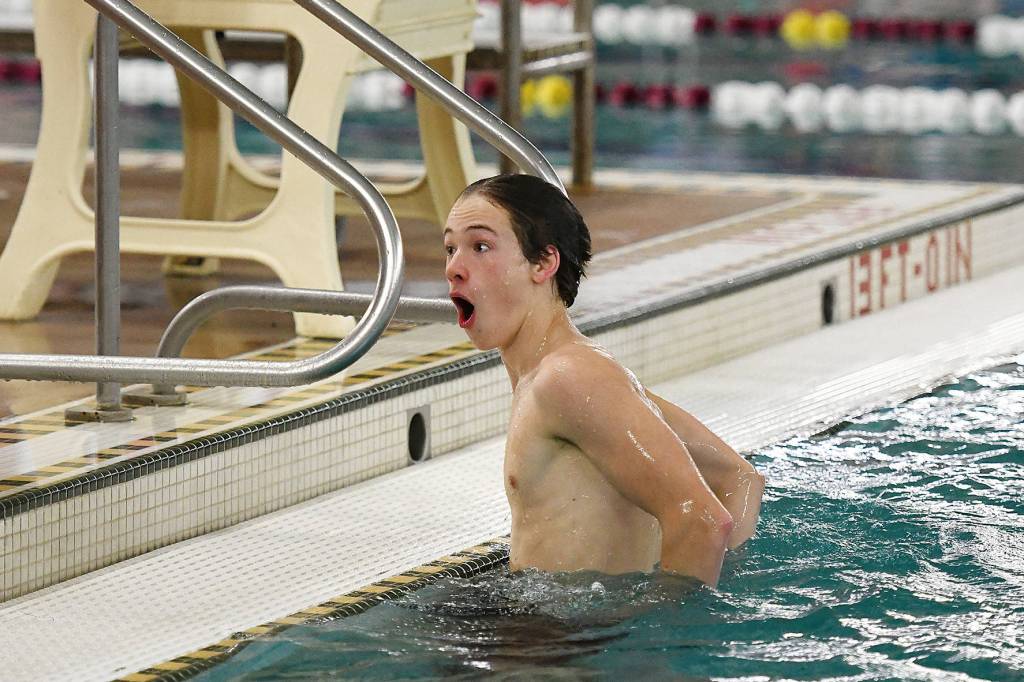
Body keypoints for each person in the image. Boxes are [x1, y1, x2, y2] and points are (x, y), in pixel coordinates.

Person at [443, 174, 765, 588]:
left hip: (568, 639)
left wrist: (663, 634)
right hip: (575, 628)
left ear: (543, 263)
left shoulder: (569, 379)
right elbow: (739, 478)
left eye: (480, 247)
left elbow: (702, 518)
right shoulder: (575, 373)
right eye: (450, 248)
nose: (454, 268)